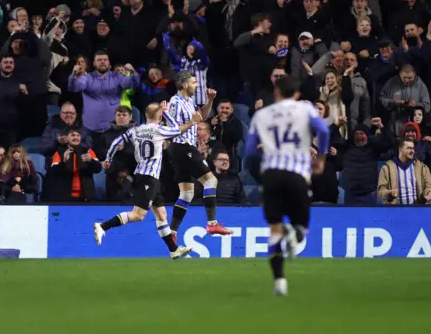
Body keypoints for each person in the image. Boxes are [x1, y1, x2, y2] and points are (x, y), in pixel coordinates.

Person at [244, 75, 329, 296]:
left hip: (271, 175)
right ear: (297, 94)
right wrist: (320, 158)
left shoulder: (261, 115)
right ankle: (295, 234)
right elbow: (324, 131)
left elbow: (250, 149)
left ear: (276, 93)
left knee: (274, 231)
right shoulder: (306, 109)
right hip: (297, 174)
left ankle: (280, 281)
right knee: (302, 226)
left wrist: (268, 152)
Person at [94, 102, 202, 259]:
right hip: (148, 179)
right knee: (138, 215)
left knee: (161, 214)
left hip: (147, 177)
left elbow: (117, 142)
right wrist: (189, 121)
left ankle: (173, 250)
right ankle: (103, 226)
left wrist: (107, 159)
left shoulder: (135, 130)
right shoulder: (159, 130)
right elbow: (178, 130)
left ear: (145, 115)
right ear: (159, 116)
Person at [165, 70, 233, 238]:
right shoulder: (175, 102)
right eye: (194, 82)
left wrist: (210, 100)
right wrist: (192, 122)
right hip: (183, 147)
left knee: (187, 193)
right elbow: (171, 129)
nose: (197, 85)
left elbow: (201, 116)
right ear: (184, 85)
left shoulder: (188, 101)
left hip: (184, 148)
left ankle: (172, 231)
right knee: (211, 180)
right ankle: (212, 224)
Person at [377, 139, 431, 205]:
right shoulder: (386, 168)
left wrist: (428, 193)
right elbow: (381, 191)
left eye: (413, 148)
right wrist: (390, 193)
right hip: (395, 211)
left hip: (417, 209)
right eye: (409, 148)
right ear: (400, 149)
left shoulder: (422, 168)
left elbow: (428, 186)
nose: (412, 151)